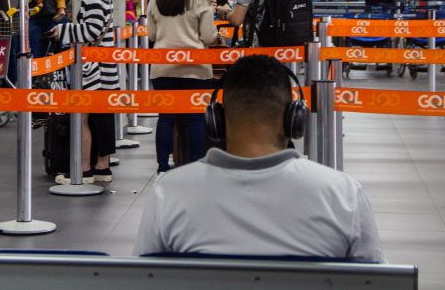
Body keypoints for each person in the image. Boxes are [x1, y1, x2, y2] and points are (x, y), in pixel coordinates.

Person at [134, 55, 384, 262]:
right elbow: (376, 281)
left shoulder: (169, 192)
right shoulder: (343, 195)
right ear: (294, 119)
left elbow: (145, 278)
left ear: (217, 120)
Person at [48, 0, 117, 184]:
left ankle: (84, 169)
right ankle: (102, 167)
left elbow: (90, 31)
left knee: (82, 118)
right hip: (106, 68)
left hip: (94, 70)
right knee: (102, 119)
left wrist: (63, 31)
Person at [148, 0, 218, 174]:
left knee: (166, 118)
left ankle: (162, 167)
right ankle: (195, 167)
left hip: (163, 68)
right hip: (195, 70)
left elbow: (150, 34)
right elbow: (209, 37)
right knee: (195, 118)